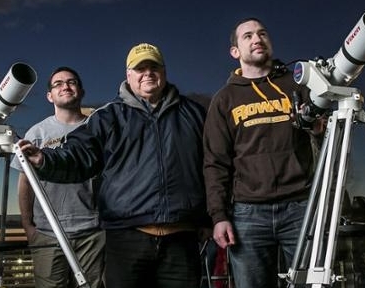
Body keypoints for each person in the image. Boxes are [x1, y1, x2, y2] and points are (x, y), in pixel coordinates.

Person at [17, 43, 208, 288]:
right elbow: (79, 155)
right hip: (126, 239)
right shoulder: (108, 117)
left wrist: (210, 217)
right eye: (140, 68)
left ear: (164, 71)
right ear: (129, 75)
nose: (147, 73)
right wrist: (45, 160)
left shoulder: (193, 114)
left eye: (153, 67)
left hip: (182, 241)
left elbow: (210, 166)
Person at [203, 18, 318, 287]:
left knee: (312, 283)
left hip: (301, 207)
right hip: (249, 213)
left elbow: (326, 136)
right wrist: (219, 216)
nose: (257, 39)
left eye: (262, 33)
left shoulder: (297, 86)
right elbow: (215, 163)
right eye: (248, 36)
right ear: (235, 52)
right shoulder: (224, 99)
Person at [10, 66, 104, 288]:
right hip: (47, 233)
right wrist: (27, 226)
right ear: (49, 96)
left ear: (81, 91)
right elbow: (25, 183)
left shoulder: (97, 130)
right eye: (58, 84)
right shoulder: (37, 133)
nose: (65, 86)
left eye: (72, 82)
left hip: (91, 232)